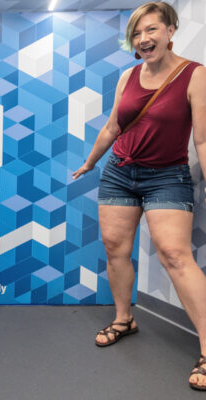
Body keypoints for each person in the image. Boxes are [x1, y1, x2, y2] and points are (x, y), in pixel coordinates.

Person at [72, 1, 206, 391]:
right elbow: (114, 126)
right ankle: (124, 319)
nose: (144, 39)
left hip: (168, 175)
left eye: (151, 30)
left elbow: (202, 138)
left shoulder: (194, 75)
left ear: (169, 31)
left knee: (175, 255)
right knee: (115, 248)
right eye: (137, 33)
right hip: (119, 173)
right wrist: (91, 162)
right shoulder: (129, 75)